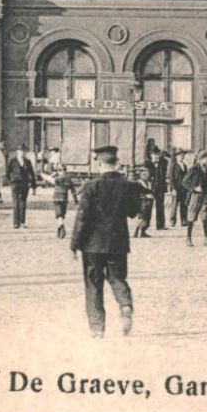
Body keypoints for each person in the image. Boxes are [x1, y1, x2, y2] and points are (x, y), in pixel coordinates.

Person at [70, 145, 144, 339]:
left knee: (93, 283)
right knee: (117, 277)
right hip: (118, 242)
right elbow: (133, 212)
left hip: (93, 244)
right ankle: (125, 304)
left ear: (99, 163)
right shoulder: (126, 185)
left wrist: (74, 244)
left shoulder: (91, 186)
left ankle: (97, 328)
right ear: (116, 163)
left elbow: (83, 218)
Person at [182, 150, 207, 247]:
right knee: (191, 217)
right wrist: (194, 188)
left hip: (205, 196)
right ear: (201, 159)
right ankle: (188, 238)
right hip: (195, 196)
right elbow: (185, 182)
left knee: (205, 216)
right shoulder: (193, 169)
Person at [6, 147, 36, 229]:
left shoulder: (27, 162)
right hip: (15, 184)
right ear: (17, 152)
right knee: (15, 203)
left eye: (23, 151)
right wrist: (11, 180)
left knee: (23, 203)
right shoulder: (12, 161)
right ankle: (16, 223)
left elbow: (32, 173)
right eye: (20, 151)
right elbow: (7, 172)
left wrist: (33, 185)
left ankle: (22, 222)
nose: (21, 153)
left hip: (24, 184)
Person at [50, 154, 78, 240]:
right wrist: (76, 200)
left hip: (56, 198)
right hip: (64, 199)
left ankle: (61, 228)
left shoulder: (57, 178)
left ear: (59, 170)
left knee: (59, 215)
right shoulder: (68, 179)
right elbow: (73, 191)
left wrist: (52, 175)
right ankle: (59, 228)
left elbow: (48, 180)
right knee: (62, 215)